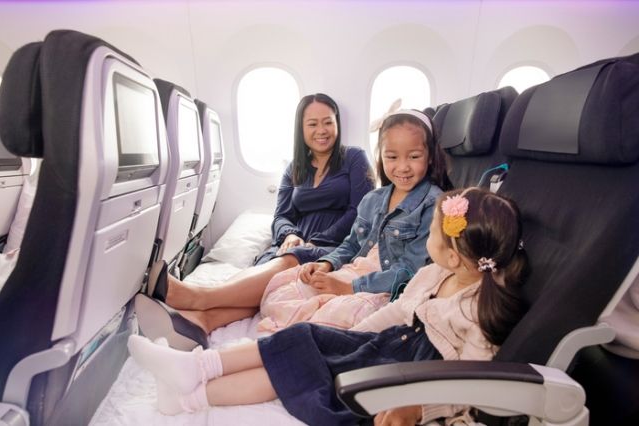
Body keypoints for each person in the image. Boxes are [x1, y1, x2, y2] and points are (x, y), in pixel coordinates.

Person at [127, 187, 529, 425]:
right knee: (304, 336)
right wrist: (349, 337)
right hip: (382, 346)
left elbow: (469, 382)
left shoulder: (479, 312)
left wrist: (420, 408)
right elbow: (396, 313)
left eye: (433, 235)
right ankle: (197, 367)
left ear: (455, 257)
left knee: (296, 369)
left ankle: (186, 399)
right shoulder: (433, 274)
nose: (428, 240)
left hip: (401, 375)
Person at [137, 93, 374, 342]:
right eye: (312, 124)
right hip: (296, 243)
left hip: (335, 245)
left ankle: (199, 297)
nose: (321, 130)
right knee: (268, 274)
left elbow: (360, 212)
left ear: (337, 123)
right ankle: (201, 322)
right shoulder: (294, 168)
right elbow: (281, 215)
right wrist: (289, 234)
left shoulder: (354, 158)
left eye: (327, 122)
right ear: (301, 129)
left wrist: (316, 241)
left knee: (287, 262)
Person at [258, 109, 451, 332]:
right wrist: (326, 264)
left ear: (430, 156)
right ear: (381, 156)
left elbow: (410, 271)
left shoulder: (433, 205)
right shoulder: (373, 199)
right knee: (281, 290)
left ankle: (302, 333)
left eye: (414, 156)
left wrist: (348, 287)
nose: (403, 167)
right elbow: (351, 245)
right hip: (353, 272)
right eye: (392, 157)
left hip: (383, 288)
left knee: (338, 314)